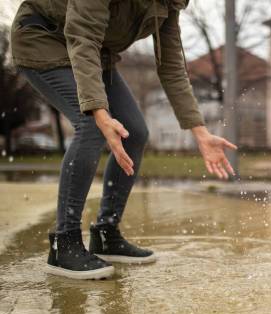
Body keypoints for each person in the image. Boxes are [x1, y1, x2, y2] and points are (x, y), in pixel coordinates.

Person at [10, 0, 237, 280]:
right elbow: (82, 35)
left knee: (134, 131)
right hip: (44, 37)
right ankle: (64, 242)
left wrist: (200, 132)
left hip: (96, 53)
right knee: (91, 124)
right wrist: (99, 112)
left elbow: (172, 67)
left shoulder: (168, 5)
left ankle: (106, 233)